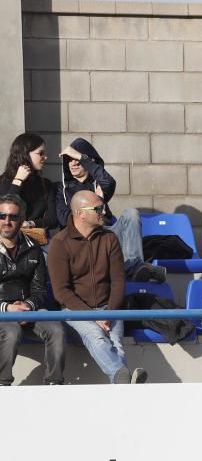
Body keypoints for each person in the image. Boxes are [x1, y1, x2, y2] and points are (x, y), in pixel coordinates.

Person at [48, 191, 146, 385]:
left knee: (117, 346)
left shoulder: (109, 238)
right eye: (98, 208)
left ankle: (122, 385)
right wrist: (91, 315)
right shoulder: (59, 243)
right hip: (74, 311)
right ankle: (126, 384)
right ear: (81, 213)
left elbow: (118, 281)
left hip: (107, 307)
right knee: (98, 338)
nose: (104, 212)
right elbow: (61, 292)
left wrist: (108, 312)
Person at [56, 137, 166, 283]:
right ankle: (136, 268)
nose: (74, 163)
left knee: (131, 214)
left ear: (90, 162)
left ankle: (135, 265)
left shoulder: (99, 183)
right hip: (84, 240)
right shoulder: (61, 189)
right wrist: (94, 205)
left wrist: (82, 157)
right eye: (69, 159)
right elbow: (64, 219)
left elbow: (109, 183)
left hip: (109, 235)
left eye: (78, 160)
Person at [0, 194, 65, 386]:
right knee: (11, 331)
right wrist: (7, 309)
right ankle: (2, 384)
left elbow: (39, 290)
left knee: (56, 328)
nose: (7, 221)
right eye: (2, 215)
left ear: (22, 219)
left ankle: (54, 383)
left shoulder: (34, 249)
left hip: (28, 311)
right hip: (2, 313)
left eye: (13, 217)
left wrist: (28, 305)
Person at [0, 133, 58, 233]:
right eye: (41, 153)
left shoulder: (46, 185)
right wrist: (18, 181)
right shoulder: (3, 182)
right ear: (25, 154)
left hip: (36, 242)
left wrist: (30, 224)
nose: (45, 157)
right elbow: (6, 212)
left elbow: (53, 219)